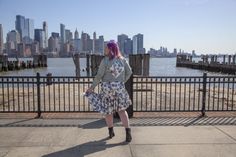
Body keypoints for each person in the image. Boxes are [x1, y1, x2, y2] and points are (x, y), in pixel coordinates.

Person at [85, 40, 132, 142]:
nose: (104, 49)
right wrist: (121, 81)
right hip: (119, 89)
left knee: (108, 111)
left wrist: (92, 87)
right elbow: (129, 72)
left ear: (111, 49)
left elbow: (99, 76)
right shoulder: (123, 60)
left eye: (106, 47)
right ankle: (128, 133)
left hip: (107, 90)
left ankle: (111, 132)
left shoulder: (105, 61)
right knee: (122, 111)